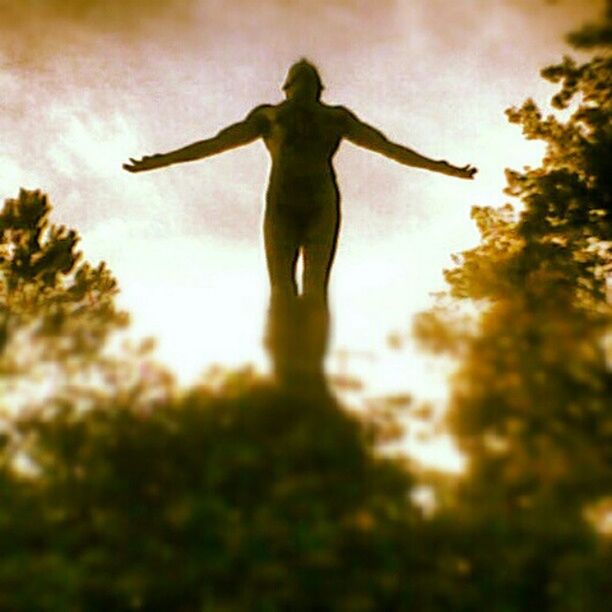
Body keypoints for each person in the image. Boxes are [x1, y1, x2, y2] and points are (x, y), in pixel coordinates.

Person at [124, 59, 477, 382]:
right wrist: (163, 160)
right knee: (281, 287)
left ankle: (311, 369)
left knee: (315, 287)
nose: (304, 83)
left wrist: (441, 167)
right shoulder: (270, 117)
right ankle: (284, 367)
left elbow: (389, 148)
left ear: (318, 88)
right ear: (287, 87)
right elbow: (216, 143)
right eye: (298, 80)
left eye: (310, 79)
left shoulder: (336, 119)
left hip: (322, 204)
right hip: (282, 204)